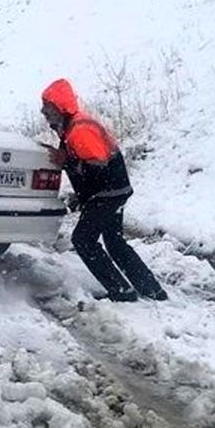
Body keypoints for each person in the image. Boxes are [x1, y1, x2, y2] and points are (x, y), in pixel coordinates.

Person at [40, 78, 168, 302]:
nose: (44, 112)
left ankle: (121, 292)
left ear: (60, 107)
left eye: (47, 107)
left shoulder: (79, 130)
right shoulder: (72, 127)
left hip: (107, 194)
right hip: (114, 191)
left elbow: (98, 168)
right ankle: (152, 290)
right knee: (115, 242)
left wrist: (66, 161)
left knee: (83, 240)